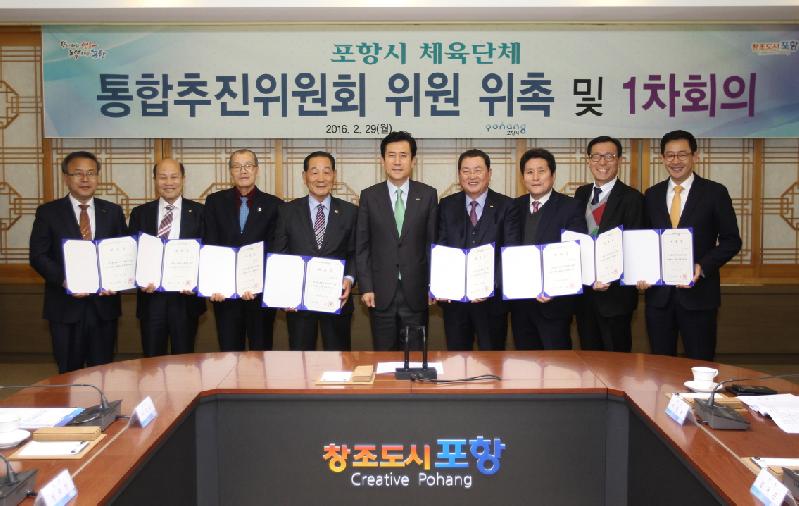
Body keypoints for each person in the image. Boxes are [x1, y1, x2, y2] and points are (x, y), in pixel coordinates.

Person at [641, 130, 741, 361]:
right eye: (670, 155)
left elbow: (731, 240)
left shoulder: (715, 192)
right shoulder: (652, 195)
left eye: (682, 154)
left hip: (699, 297)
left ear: (695, 156)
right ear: (663, 158)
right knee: (660, 366)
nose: (675, 161)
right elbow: (645, 240)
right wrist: (642, 271)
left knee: (700, 364)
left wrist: (702, 266)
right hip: (659, 298)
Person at [29, 151, 128, 373]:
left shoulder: (112, 211)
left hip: (104, 307)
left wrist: (118, 280)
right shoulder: (48, 212)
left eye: (91, 173)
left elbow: (124, 253)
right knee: (68, 372)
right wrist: (66, 281)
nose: (85, 179)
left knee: (103, 373)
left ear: (98, 177)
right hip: (65, 308)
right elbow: (38, 255)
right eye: (78, 173)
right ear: (66, 177)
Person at [356, 131, 438, 351]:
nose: (397, 161)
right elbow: (362, 246)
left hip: (417, 292)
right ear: (382, 160)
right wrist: (366, 287)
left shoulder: (428, 195)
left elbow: (432, 246)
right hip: (380, 293)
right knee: (384, 358)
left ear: (413, 160)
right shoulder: (369, 196)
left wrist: (433, 285)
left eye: (403, 155)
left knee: (415, 358)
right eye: (391, 155)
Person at [272, 151, 357, 351]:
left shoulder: (350, 212)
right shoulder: (287, 211)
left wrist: (349, 278)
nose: (321, 178)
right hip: (299, 304)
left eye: (326, 172)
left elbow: (355, 252)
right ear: (304, 176)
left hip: (337, 300)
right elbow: (280, 254)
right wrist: (284, 294)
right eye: (314, 172)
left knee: (338, 360)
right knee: (300, 361)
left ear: (334, 176)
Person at [435, 149, 519, 350]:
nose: (472, 176)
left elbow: (511, 252)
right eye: (466, 171)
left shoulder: (507, 205)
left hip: (492, 302)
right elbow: (441, 246)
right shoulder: (446, 205)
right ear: (459, 175)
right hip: (455, 302)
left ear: (489, 173)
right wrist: (441, 285)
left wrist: (489, 285)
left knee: (491, 360)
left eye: (478, 170)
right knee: (457, 359)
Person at [203, 149, 282, 351]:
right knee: (229, 354)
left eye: (248, 166)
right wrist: (214, 285)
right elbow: (210, 244)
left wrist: (257, 283)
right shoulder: (214, 202)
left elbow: (275, 250)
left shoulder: (274, 205)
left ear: (256, 170)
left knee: (261, 354)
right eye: (237, 166)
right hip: (225, 296)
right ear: (231, 171)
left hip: (259, 295)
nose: (243, 171)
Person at [573, 136, 645, 352]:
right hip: (584, 296)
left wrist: (610, 276)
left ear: (619, 160)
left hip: (615, 298)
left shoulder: (633, 198)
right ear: (588, 161)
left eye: (609, 156)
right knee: (589, 360)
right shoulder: (580, 194)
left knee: (617, 362)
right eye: (596, 156)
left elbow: (635, 247)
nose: (602, 162)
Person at [510, 148, 587, 350]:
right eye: (529, 172)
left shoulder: (570, 207)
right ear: (523, 177)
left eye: (541, 171)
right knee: (524, 363)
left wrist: (556, 287)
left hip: (554, 305)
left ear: (552, 175)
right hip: (520, 304)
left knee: (557, 364)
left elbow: (575, 253)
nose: (535, 177)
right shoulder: (514, 206)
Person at [128, 158, 206, 356]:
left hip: (185, 301)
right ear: (155, 180)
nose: (169, 182)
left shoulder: (200, 213)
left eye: (174, 177)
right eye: (163, 177)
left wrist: (197, 282)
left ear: (183, 179)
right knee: (152, 362)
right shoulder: (140, 214)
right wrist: (139, 278)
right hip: (151, 300)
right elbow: (131, 254)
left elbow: (208, 255)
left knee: (185, 362)